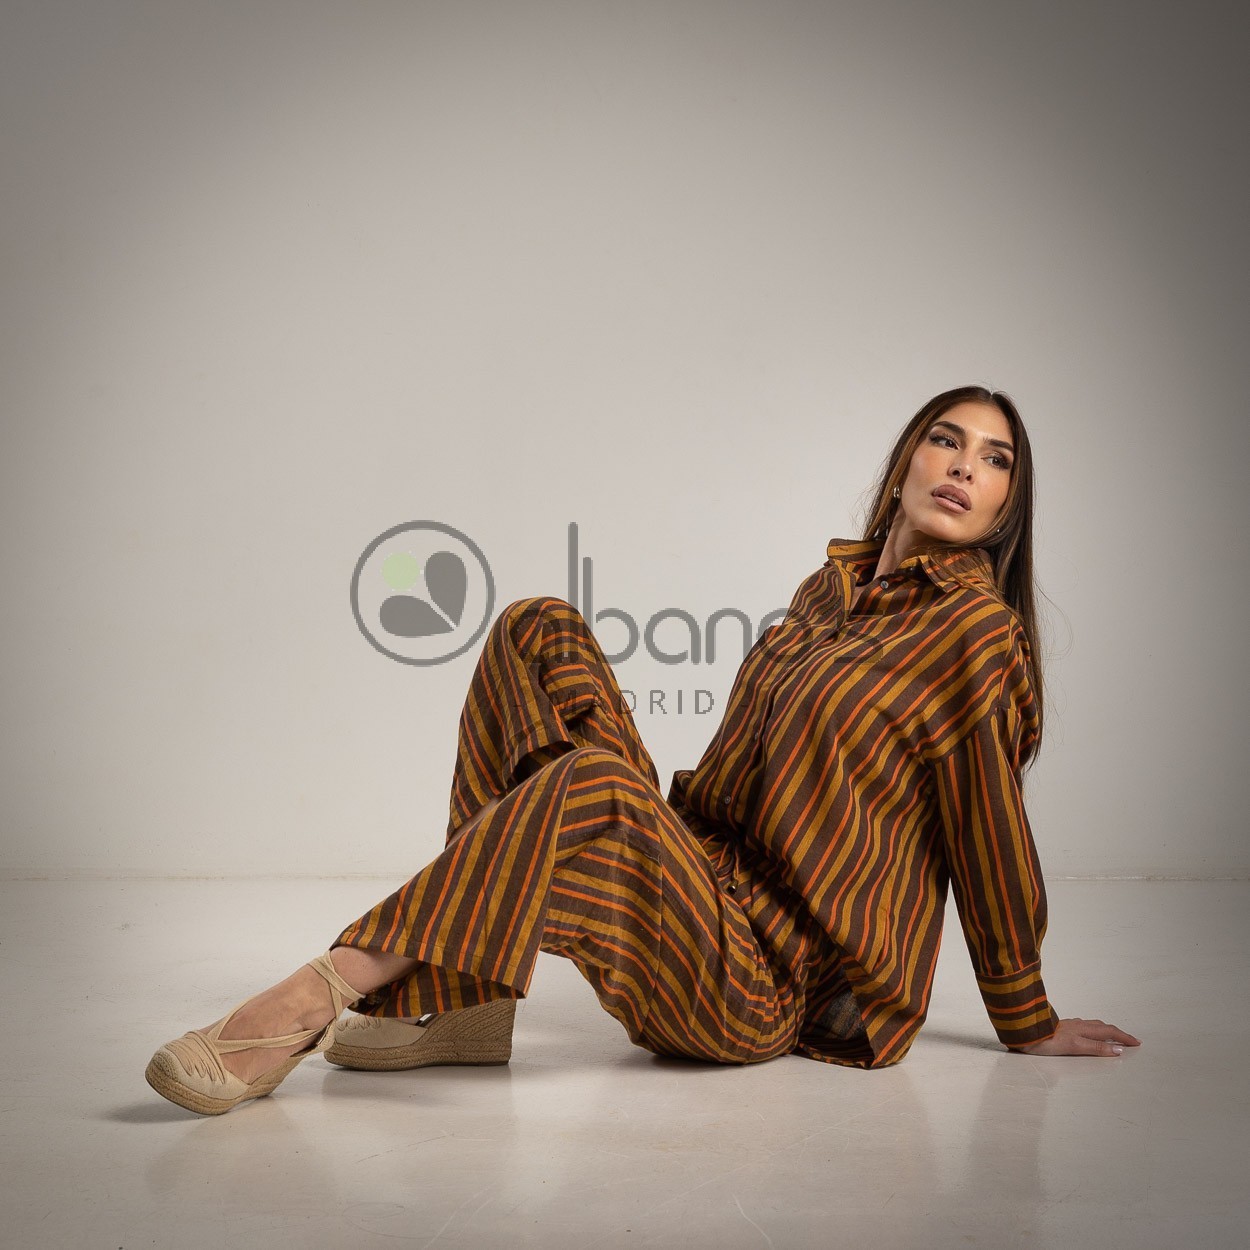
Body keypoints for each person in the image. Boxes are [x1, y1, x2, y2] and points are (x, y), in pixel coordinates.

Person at [145, 384, 1140, 1116]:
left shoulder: (974, 635)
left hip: (761, 982)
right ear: (903, 465)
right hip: (705, 882)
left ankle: (311, 996)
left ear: (1005, 509)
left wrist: (1025, 1012)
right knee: (538, 627)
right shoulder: (827, 594)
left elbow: (988, 827)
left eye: (994, 460)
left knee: (593, 787)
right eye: (945, 440)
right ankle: (464, 1005)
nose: (964, 466)